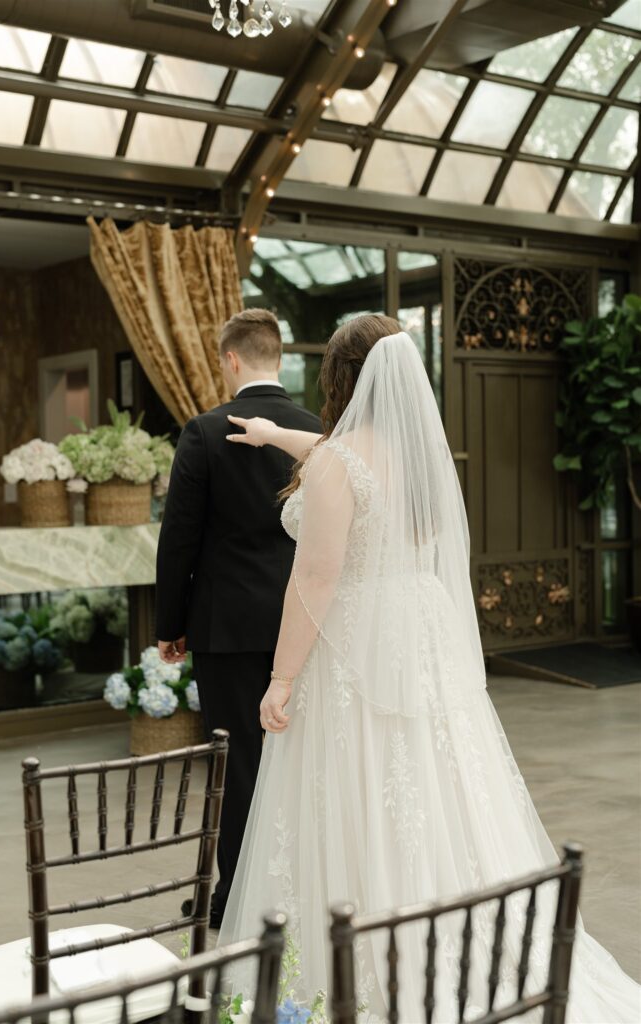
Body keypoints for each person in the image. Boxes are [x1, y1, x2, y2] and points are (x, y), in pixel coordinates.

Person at [219, 314, 640, 1020]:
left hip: (351, 643)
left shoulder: (335, 462)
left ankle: (355, 965)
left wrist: (282, 676)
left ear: (340, 377)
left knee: (356, 783)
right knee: (437, 781)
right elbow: (333, 454)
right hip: (416, 636)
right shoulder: (417, 459)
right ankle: (469, 941)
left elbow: (316, 577)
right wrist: (274, 435)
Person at [155, 307, 321, 929]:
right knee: (299, 757)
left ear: (230, 359)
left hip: (226, 629)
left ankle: (237, 900)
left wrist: (171, 624)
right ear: (277, 356)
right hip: (303, 623)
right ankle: (302, 888)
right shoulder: (316, 430)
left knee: (237, 763)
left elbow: (180, 538)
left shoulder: (204, 431)